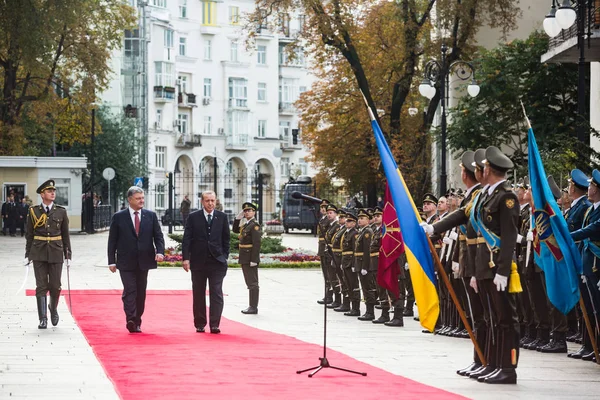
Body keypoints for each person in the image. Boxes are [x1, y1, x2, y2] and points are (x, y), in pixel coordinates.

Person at [107, 186, 165, 333]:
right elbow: (112, 241)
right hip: (125, 261)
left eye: (143, 198)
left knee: (140, 292)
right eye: (138, 198)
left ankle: (137, 320)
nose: (142, 201)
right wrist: (111, 261)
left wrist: (160, 252)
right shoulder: (119, 217)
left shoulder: (150, 216)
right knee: (130, 289)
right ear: (130, 199)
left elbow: (158, 236)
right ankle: (131, 319)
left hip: (144, 260)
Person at [24, 180, 72, 329]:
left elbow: (65, 235)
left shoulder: (61, 211)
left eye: (54, 191)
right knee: (41, 285)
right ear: (42, 194)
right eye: (49, 191)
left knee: (56, 285)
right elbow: (29, 234)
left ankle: (53, 308)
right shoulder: (33, 211)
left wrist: (68, 254)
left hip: (56, 252)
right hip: (38, 251)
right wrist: (28, 253)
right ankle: (43, 318)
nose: (53, 193)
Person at [182, 190, 230, 334]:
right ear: (202, 202)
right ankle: (200, 323)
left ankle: (215, 324)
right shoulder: (193, 217)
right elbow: (187, 239)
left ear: (216, 201)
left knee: (216, 293)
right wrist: (186, 258)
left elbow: (226, 239)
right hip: (198, 262)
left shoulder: (222, 217)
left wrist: (224, 256)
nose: (210, 203)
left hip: (217, 262)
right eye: (207, 200)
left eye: (212, 200)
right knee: (198, 293)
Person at [233, 202, 262, 314]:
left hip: (250, 257)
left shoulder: (254, 225)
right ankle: (252, 306)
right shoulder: (246, 225)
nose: (247, 212)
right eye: (245, 211)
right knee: (249, 282)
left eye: (249, 210)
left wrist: (254, 260)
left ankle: (253, 307)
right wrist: (237, 218)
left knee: (253, 283)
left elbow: (257, 243)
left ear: (254, 212)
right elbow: (235, 230)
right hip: (245, 257)